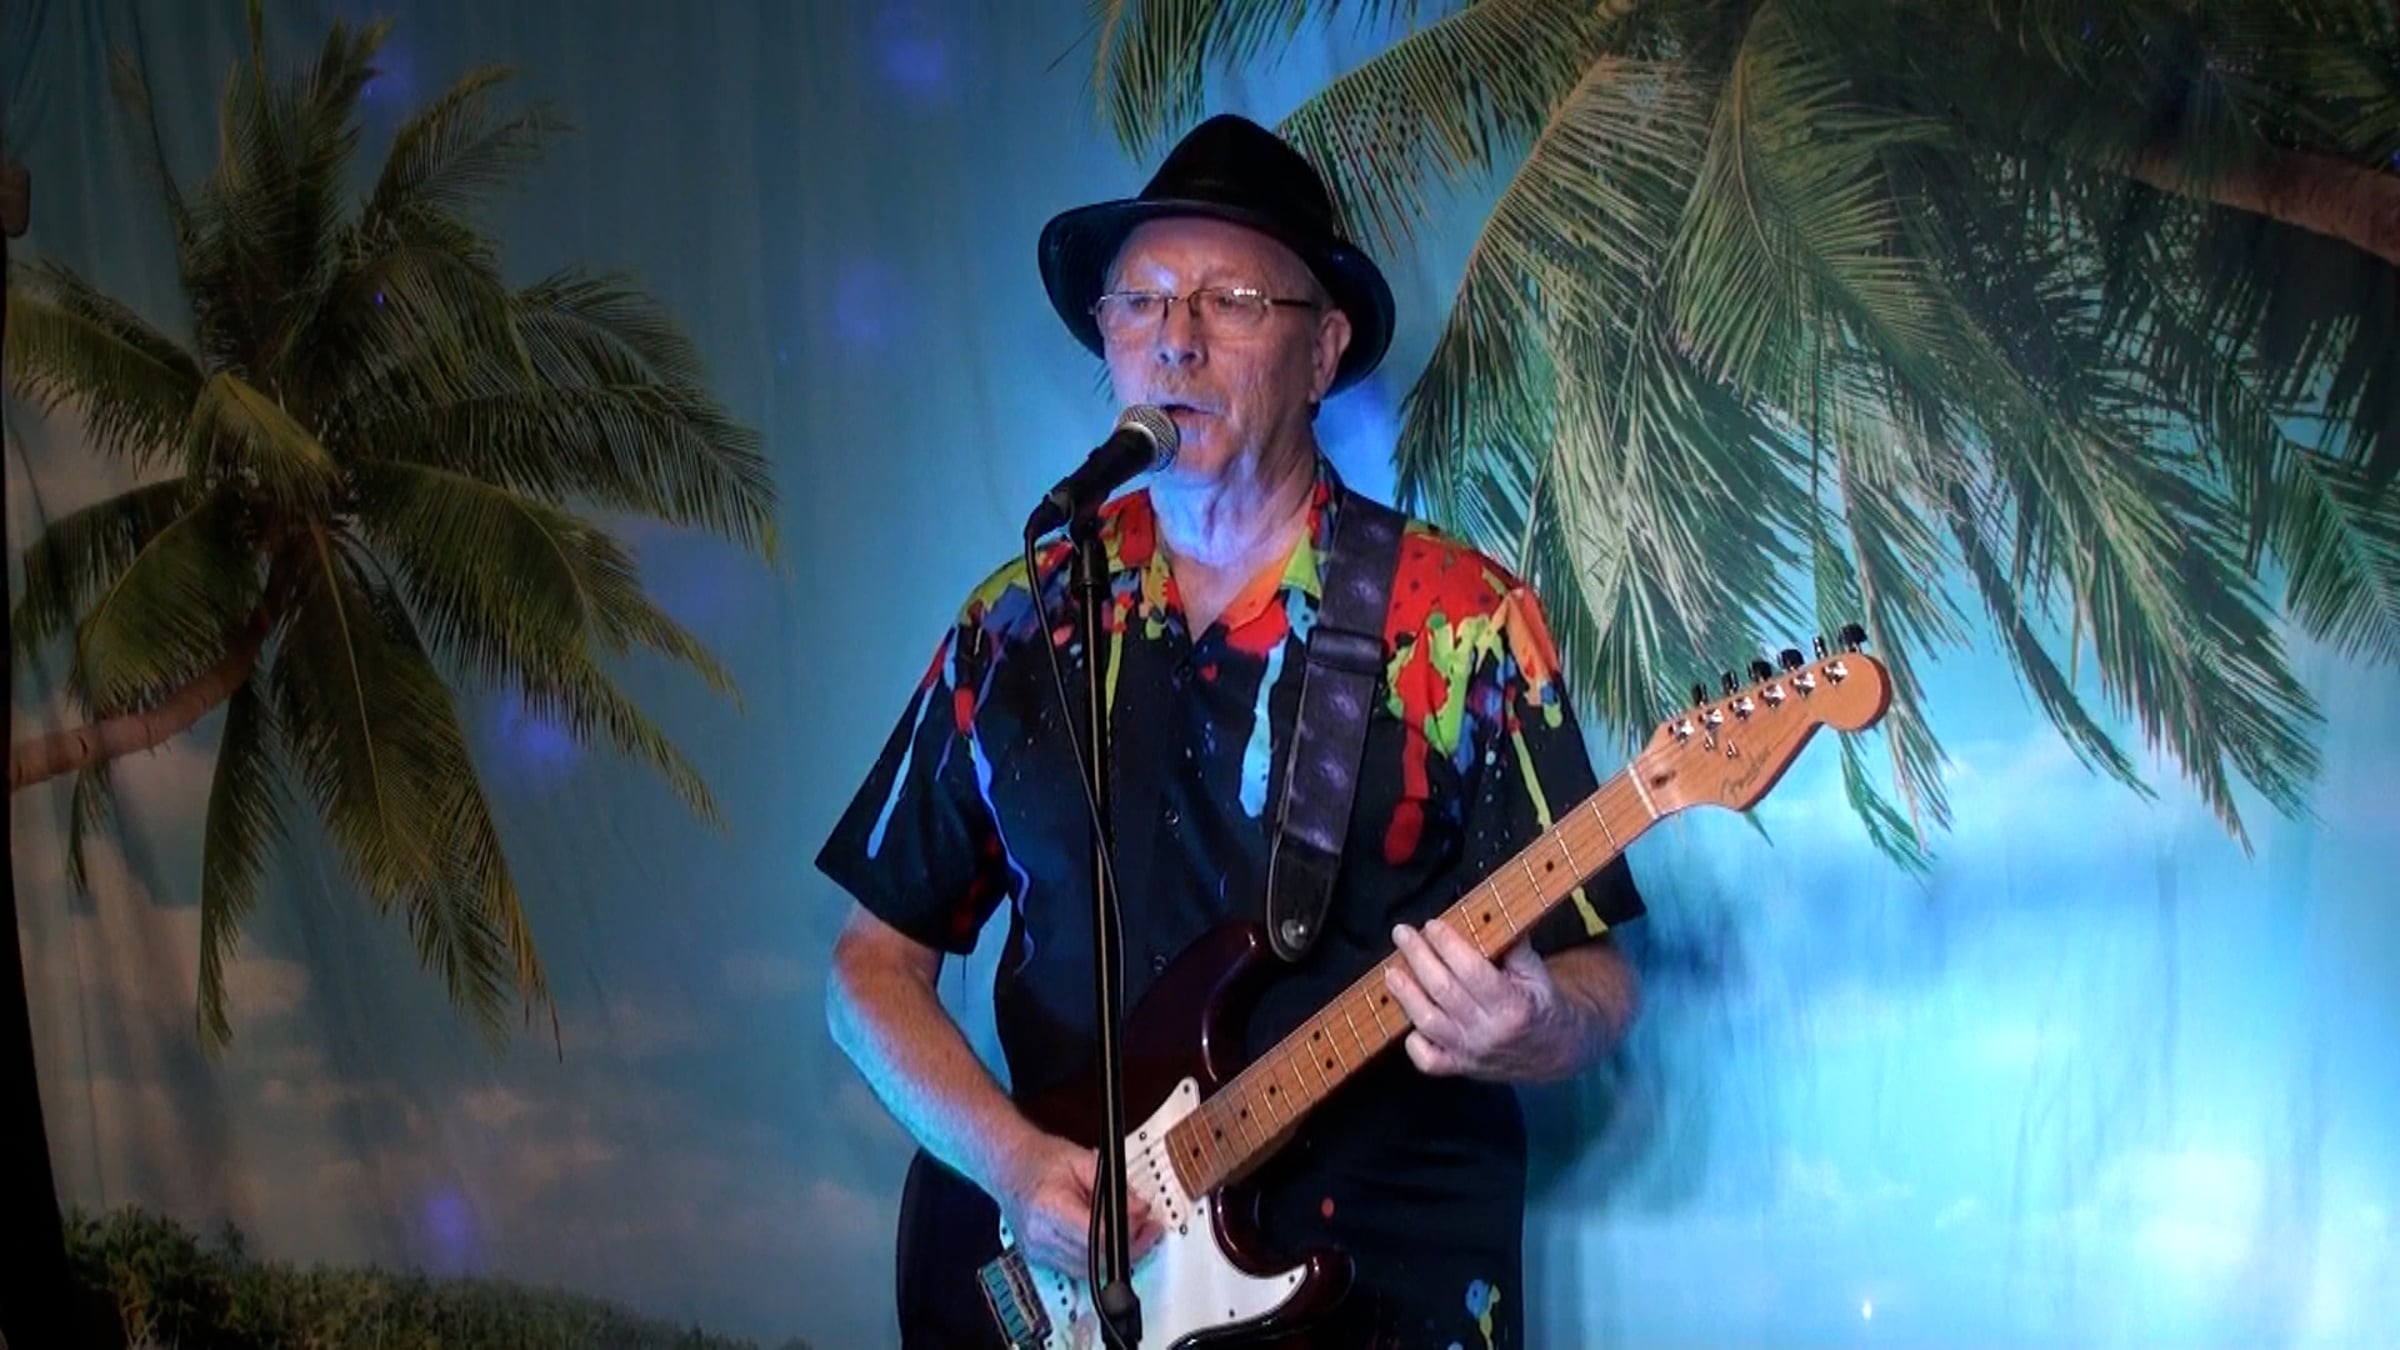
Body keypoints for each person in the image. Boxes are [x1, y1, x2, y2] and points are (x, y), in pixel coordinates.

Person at [818, 113, 1647, 1348]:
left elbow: (1599, 978)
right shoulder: (1021, 621)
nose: (1178, 340)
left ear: (1323, 352)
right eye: (1141, 302)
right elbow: (867, 971)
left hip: (1383, 1303)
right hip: (1072, 1295)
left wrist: (1538, 1026)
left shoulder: (1459, 626)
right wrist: (1011, 1165)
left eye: (1233, 301)